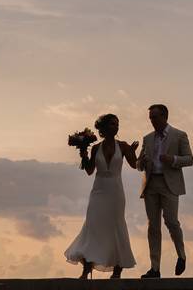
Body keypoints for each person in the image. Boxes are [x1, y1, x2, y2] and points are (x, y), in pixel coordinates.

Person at [64, 113, 139, 278]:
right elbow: (90, 171)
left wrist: (133, 153)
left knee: (116, 227)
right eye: (112, 124)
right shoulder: (97, 148)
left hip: (115, 192)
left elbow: (135, 165)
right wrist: (83, 153)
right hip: (98, 191)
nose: (116, 127)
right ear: (104, 128)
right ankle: (86, 269)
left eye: (117, 124)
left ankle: (118, 270)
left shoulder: (124, 146)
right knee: (93, 227)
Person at [136, 104, 193, 278]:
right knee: (153, 226)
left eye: (155, 117)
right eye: (150, 118)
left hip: (170, 184)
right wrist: (143, 161)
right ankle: (155, 268)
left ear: (164, 116)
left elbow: (190, 159)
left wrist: (173, 159)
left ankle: (181, 255)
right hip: (151, 183)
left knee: (171, 222)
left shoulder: (179, 135)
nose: (152, 121)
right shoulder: (147, 138)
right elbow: (138, 165)